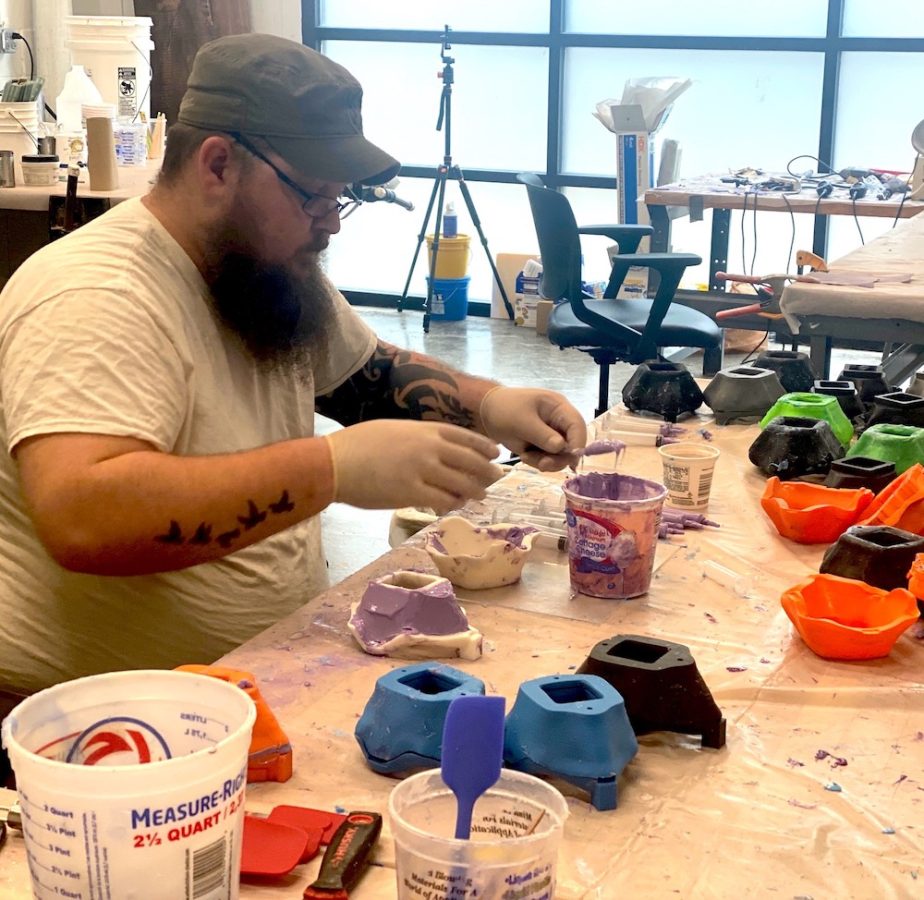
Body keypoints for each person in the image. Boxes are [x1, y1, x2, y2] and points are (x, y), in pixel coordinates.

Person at [0, 33, 586, 700]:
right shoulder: (99, 295)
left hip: (251, 688)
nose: (331, 223)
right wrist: (329, 470)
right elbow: (84, 516)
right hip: (104, 728)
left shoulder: (261, 269)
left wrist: (489, 406)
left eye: (342, 199)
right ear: (218, 165)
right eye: (313, 197)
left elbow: (368, 376)